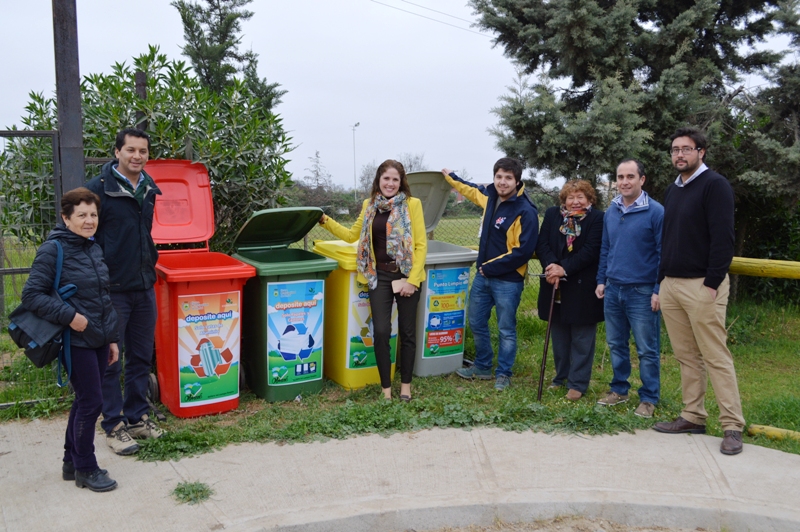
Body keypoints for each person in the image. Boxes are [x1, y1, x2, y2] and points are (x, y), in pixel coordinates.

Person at [654, 127, 745, 455]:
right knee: (686, 356)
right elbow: (668, 238)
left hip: (702, 286)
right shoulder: (673, 190)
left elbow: (723, 239)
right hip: (672, 286)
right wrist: (662, 281)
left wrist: (712, 283)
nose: (679, 155)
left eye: (686, 149)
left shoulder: (715, 185)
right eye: (675, 149)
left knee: (715, 355)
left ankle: (732, 425)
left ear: (701, 152)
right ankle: (693, 415)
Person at [22, 188, 120, 492]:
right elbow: (31, 295)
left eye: (93, 214)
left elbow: (102, 298)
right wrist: (70, 317)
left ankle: (70, 461)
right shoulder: (53, 249)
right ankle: (86, 468)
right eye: (82, 215)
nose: (89, 220)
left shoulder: (92, 247)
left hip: (99, 336)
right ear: (66, 218)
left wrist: (112, 338)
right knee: (92, 401)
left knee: (85, 400)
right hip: (73, 338)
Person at [319, 159, 427, 400]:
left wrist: (412, 280)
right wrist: (324, 220)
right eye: (386, 178)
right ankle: (386, 389)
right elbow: (350, 235)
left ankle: (406, 387)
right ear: (379, 180)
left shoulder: (412, 205)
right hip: (379, 277)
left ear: (402, 183)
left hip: (407, 274)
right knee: (380, 331)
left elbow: (420, 245)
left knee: (408, 333)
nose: (390, 183)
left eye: (395, 179)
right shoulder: (370, 205)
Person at [85, 128, 163, 456]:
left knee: (141, 357)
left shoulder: (148, 188)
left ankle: (137, 416)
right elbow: (81, 237)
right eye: (130, 150)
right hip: (112, 289)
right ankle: (113, 425)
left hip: (144, 286)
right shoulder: (96, 190)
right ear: (117, 152)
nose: (137, 156)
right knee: (110, 360)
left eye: (142, 151)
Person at [442, 158, 538, 391]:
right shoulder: (490, 195)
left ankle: (504, 373)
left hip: (508, 280)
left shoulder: (526, 210)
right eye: (499, 177)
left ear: (517, 180)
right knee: (476, 321)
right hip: (483, 277)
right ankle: (483, 366)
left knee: (506, 329)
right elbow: (468, 188)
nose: (503, 182)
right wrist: (449, 175)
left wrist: (488, 267)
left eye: (508, 178)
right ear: (494, 177)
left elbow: (522, 251)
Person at [595, 160, 664, 418]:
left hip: (642, 292)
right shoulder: (611, 211)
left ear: (642, 180)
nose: (624, 181)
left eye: (630, 176)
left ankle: (648, 398)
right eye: (620, 176)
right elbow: (605, 248)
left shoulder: (656, 212)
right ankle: (619, 390)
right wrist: (601, 280)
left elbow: (662, 254)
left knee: (647, 348)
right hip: (613, 289)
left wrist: (658, 289)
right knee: (616, 344)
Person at [536, 180, 604, 401]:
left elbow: (591, 251)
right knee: (560, 336)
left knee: (582, 338)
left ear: (589, 199)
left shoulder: (597, 219)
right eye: (570, 198)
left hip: (582, 286)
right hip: (554, 285)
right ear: (563, 200)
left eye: (580, 197)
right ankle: (560, 378)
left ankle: (577, 383)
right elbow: (542, 244)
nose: (575, 202)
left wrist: (564, 269)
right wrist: (552, 267)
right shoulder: (553, 214)